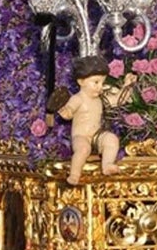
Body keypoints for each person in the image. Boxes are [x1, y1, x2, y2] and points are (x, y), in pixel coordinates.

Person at [47, 55, 136, 185]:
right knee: (83, 149)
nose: (100, 87)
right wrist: (65, 112)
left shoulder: (100, 99)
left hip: (97, 135)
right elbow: (69, 112)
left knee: (111, 139)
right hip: (81, 135)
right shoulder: (78, 99)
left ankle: (107, 165)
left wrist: (128, 86)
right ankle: (74, 174)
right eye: (96, 82)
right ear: (81, 81)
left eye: (102, 83)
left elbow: (118, 100)